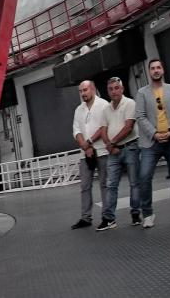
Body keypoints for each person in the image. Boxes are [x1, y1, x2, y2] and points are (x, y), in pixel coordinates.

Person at [133, 59, 170, 228]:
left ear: (163, 70)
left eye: (158, 67)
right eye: (153, 68)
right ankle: (148, 214)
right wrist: (155, 134)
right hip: (152, 142)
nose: (156, 70)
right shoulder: (142, 93)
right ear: (149, 72)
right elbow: (140, 116)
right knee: (144, 176)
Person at [100, 77, 141, 229]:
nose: (114, 91)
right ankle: (109, 218)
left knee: (134, 183)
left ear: (122, 89)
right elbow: (103, 129)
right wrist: (110, 146)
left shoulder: (130, 103)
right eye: (111, 89)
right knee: (110, 185)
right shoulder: (106, 109)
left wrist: (112, 143)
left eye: (116, 88)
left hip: (130, 147)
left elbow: (128, 127)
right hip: (113, 151)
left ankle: (136, 214)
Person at [71, 80, 110, 230]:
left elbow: (103, 127)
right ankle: (85, 218)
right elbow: (76, 130)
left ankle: (107, 217)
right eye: (81, 91)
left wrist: (90, 142)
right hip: (85, 154)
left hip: (102, 151)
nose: (83, 93)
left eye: (85, 90)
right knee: (85, 186)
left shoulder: (104, 105)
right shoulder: (78, 110)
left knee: (104, 185)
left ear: (93, 89)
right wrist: (84, 145)